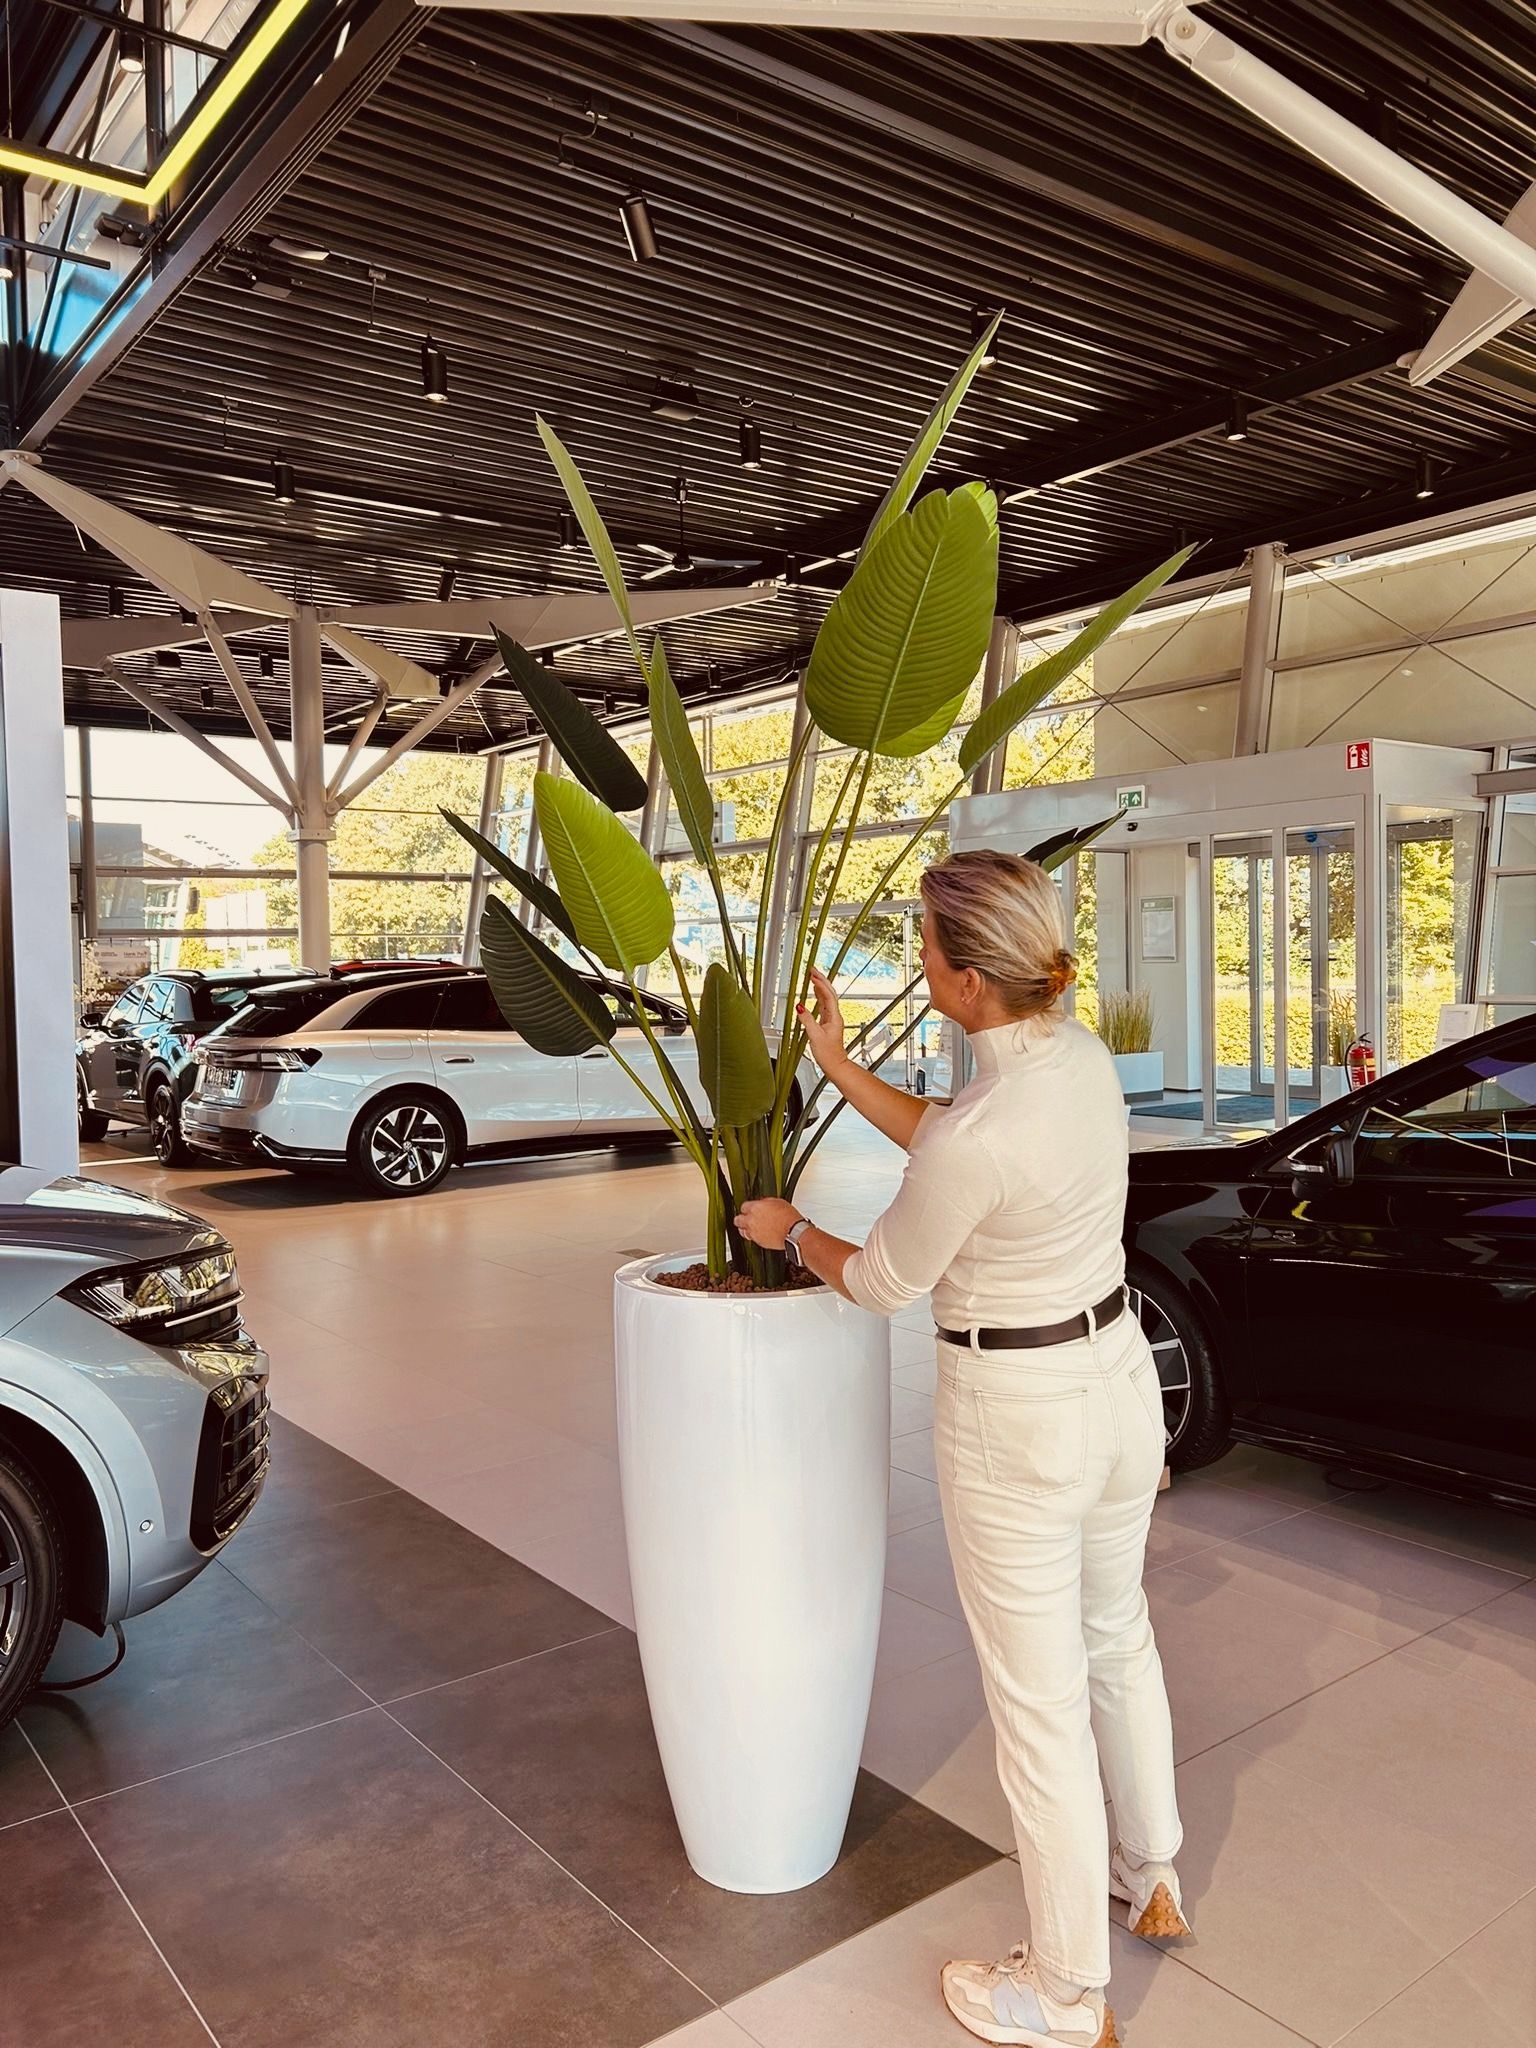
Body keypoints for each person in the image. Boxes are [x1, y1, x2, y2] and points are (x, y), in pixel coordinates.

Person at [737, 848, 1186, 2048]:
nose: (917, 959)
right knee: (1116, 1632)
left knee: (1037, 1707)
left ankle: (1066, 1990)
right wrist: (838, 1067)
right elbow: (949, 1133)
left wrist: (794, 1233)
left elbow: (884, 1279)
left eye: (927, 946)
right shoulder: (1078, 1061)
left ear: (972, 981)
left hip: (1017, 1416)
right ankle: (1151, 1870)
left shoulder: (979, 1135)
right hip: (1116, 1383)